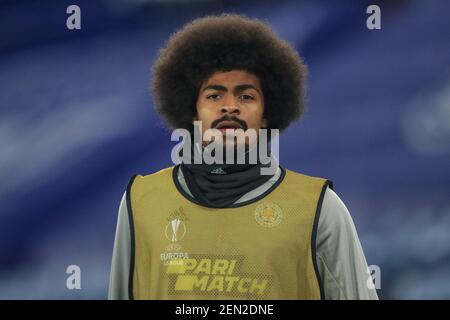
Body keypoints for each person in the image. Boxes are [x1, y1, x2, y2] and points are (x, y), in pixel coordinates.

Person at [108, 14, 378, 300]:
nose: (229, 107)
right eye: (214, 96)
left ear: (266, 115)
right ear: (191, 111)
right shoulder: (139, 202)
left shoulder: (319, 208)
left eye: (246, 96)